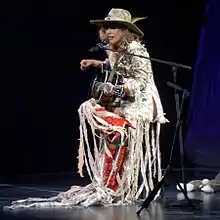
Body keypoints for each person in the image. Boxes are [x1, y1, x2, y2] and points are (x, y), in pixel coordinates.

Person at [5, 8, 168, 210]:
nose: (108, 31)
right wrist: (97, 64)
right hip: (123, 101)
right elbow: (115, 68)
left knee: (115, 133)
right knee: (100, 119)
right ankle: (112, 183)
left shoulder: (135, 49)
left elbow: (140, 82)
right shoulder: (115, 49)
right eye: (106, 27)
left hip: (139, 105)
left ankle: (118, 186)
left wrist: (115, 89)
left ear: (125, 30)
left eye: (114, 27)